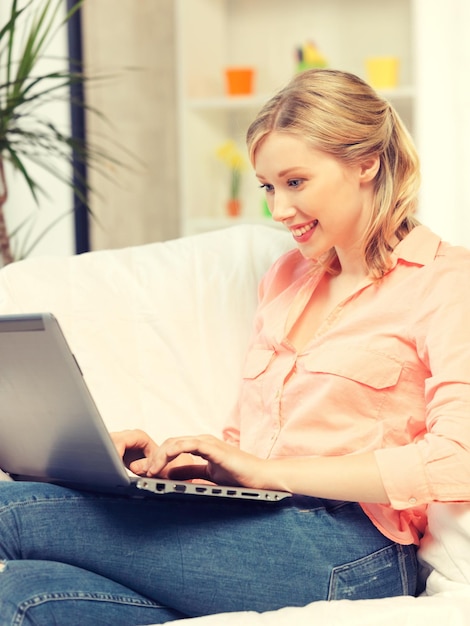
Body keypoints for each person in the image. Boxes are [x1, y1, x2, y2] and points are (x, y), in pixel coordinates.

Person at [1, 68, 470, 624]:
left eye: (296, 182)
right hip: (255, 525)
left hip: (353, 550)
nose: (279, 211)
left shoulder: (446, 281)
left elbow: (456, 460)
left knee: (12, 515)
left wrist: (266, 474)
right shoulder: (287, 278)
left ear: (366, 163)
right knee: (26, 596)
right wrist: (197, 469)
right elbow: (251, 438)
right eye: (268, 187)